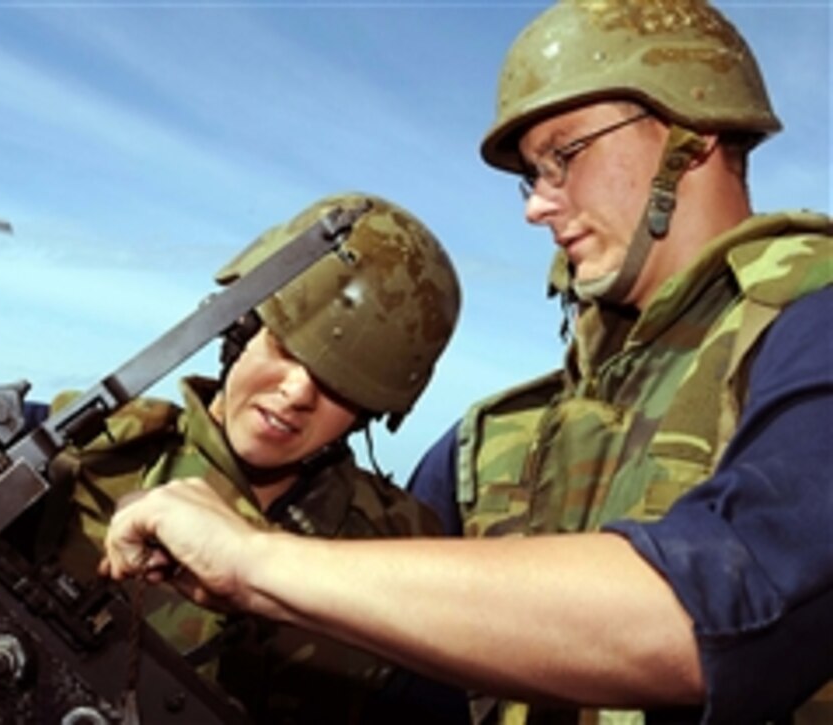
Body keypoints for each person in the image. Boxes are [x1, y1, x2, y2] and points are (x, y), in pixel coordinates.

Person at [100, 2, 832, 724]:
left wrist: (255, 562)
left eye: (564, 157)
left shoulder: (808, 329)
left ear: (690, 137)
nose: (536, 208)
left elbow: (717, 612)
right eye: (532, 175)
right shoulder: (489, 448)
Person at [38, 192, 468, 724]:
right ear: (239, 331)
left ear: (367, 412)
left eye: (338, 385)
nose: (295, 393)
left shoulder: (399, 550)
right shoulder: (85, 459)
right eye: (286, 350)